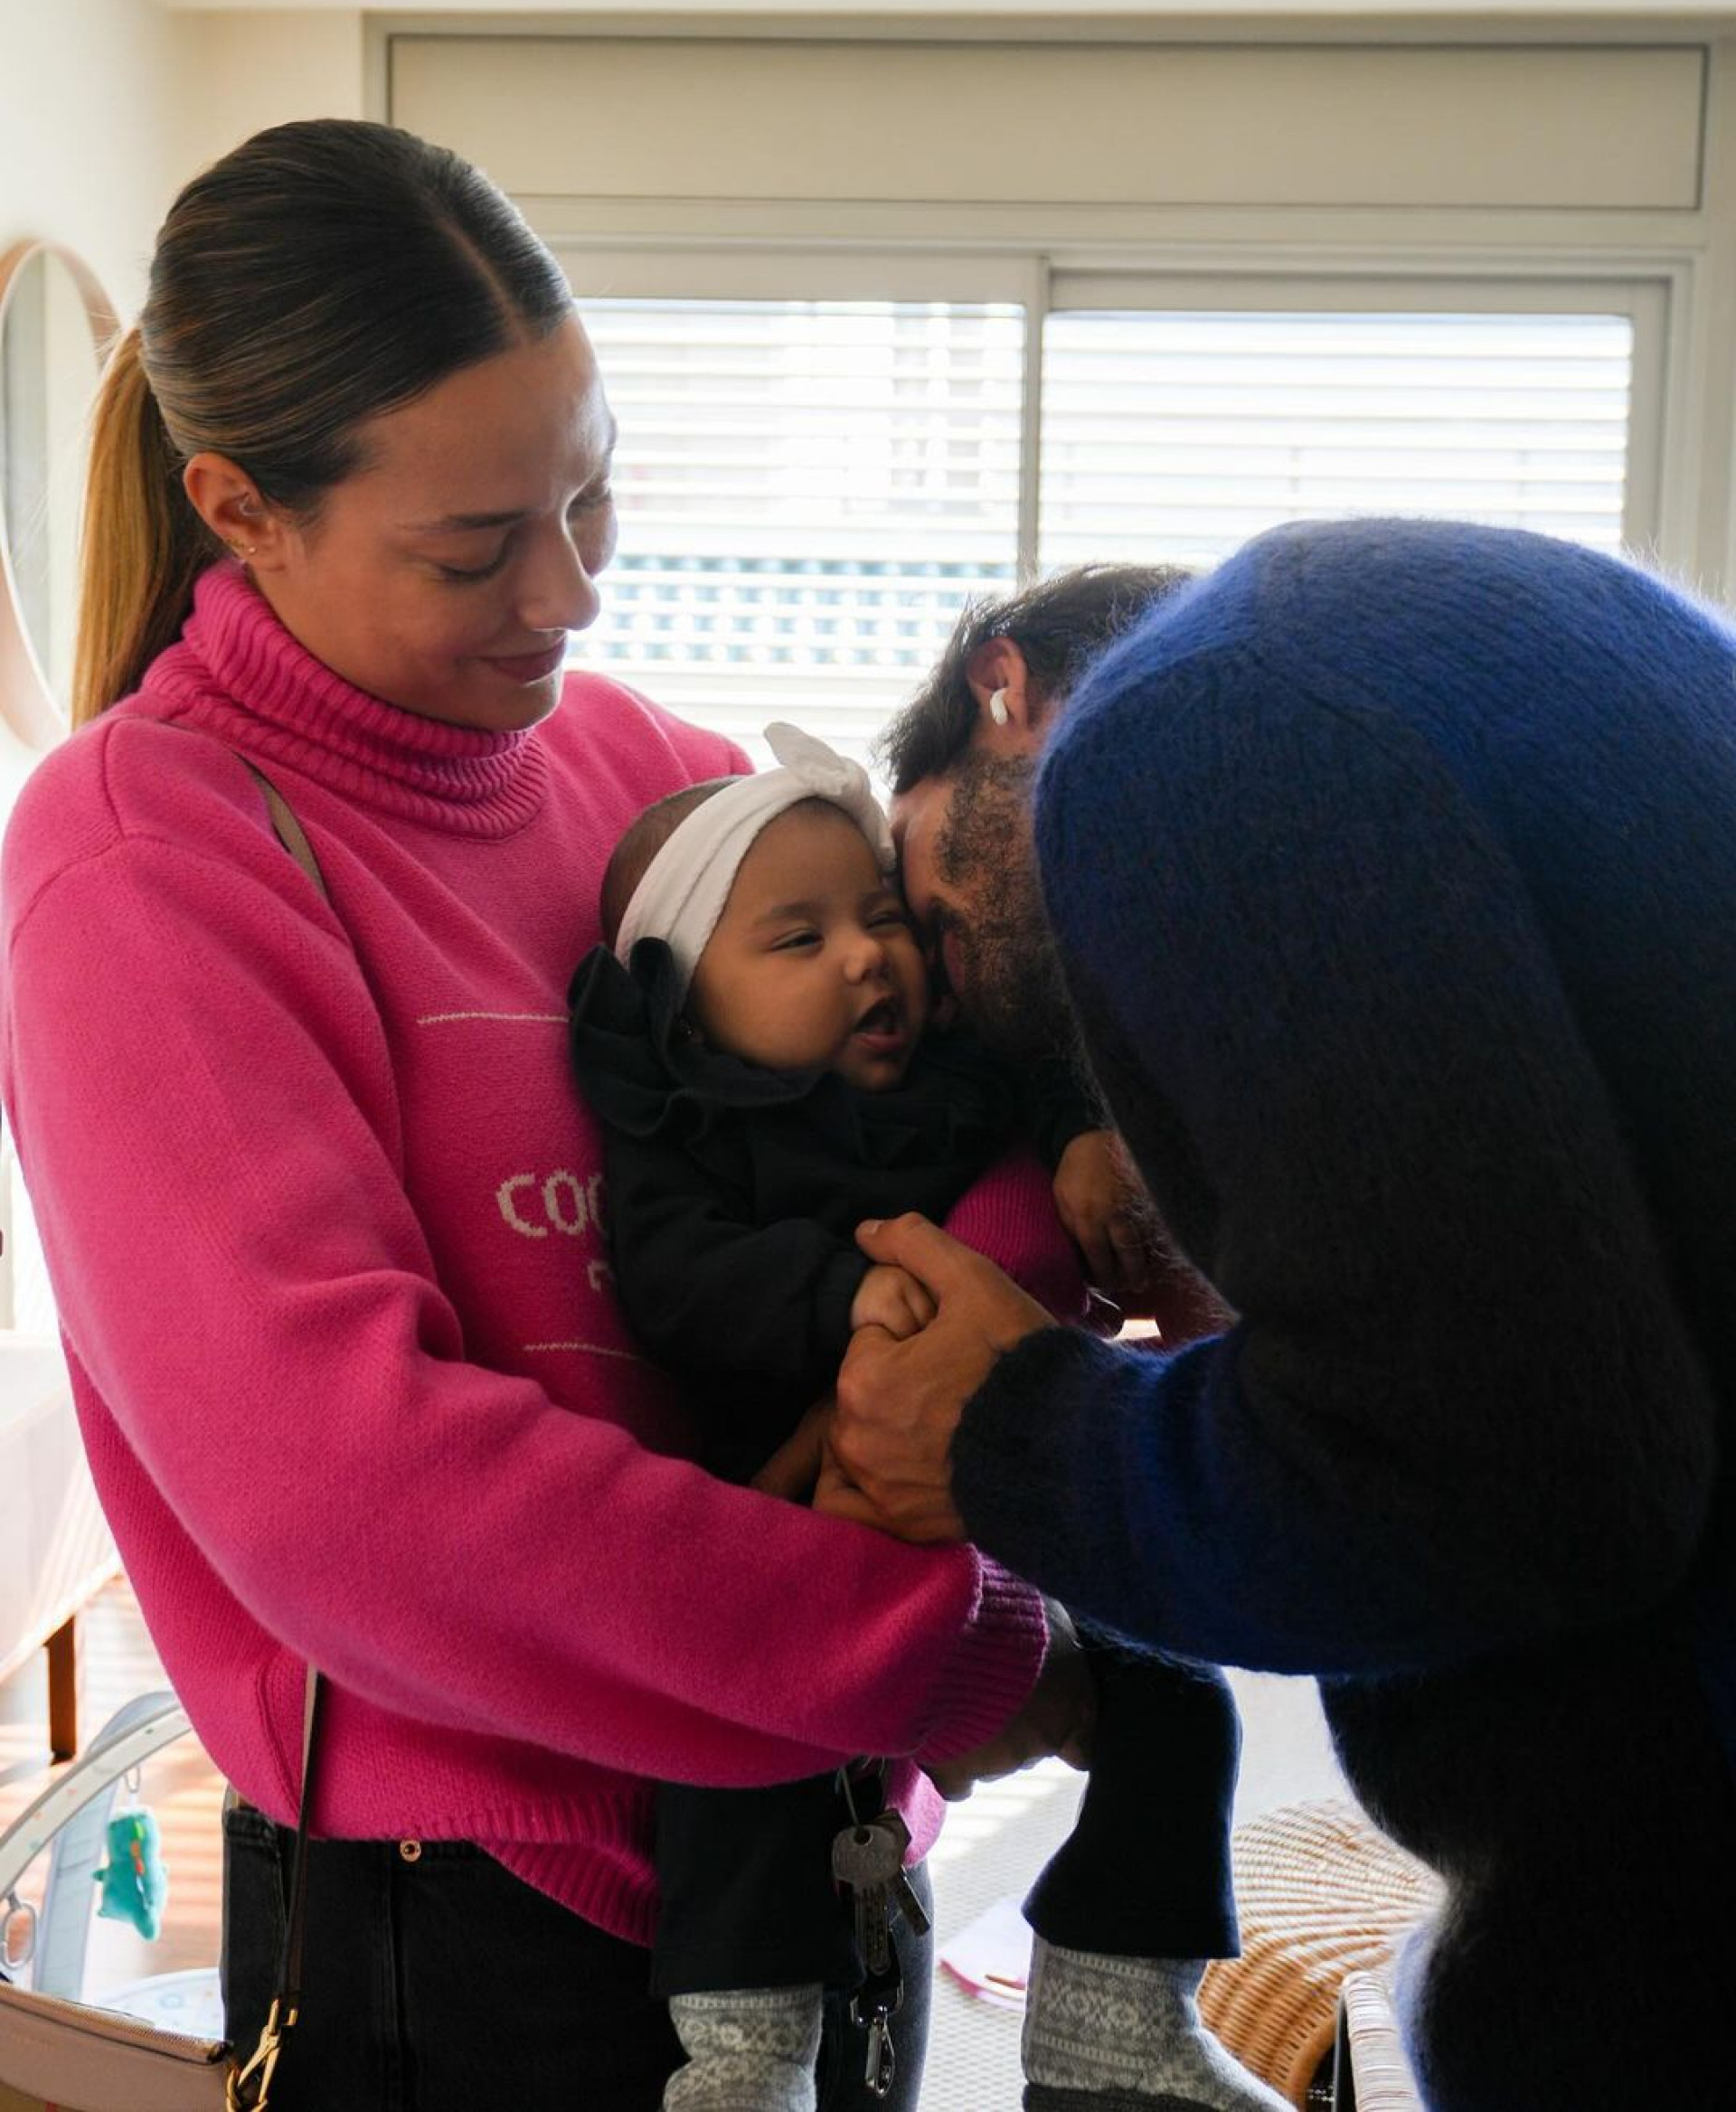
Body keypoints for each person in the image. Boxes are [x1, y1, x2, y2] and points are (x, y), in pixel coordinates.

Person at [0, 118, 1090, 2112]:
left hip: (823, 1832)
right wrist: (915, 1636)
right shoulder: (139, 861)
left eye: (593, 497)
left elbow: (952, 1104)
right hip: (494, 1917)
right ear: (239, 508)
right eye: (475, 546)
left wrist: (964, 1370)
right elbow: (354, 1494)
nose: (572, 592)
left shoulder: (644, 778)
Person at [828, 519, 1736, 2111]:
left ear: (1004, 693)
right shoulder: (1418, 627)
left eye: (922, 903)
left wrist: (1010, 1428)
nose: (933, 985)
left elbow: (1499, 1472)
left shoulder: (1195, 728)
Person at [568, 723, 1286, 2112]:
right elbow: (674, 1279)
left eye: (880, 917)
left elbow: (1058, 1069)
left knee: (1177, 1688)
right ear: (682, 1003)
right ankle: (743, 2062)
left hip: (980, 1527)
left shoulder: (964, 1081)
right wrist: (850, 1296)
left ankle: (1112, 2022)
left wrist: (1082, 1138)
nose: (865, 957)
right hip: (776, 1528)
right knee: (735, 1756)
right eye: (798, 940)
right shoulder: (688, 1126)